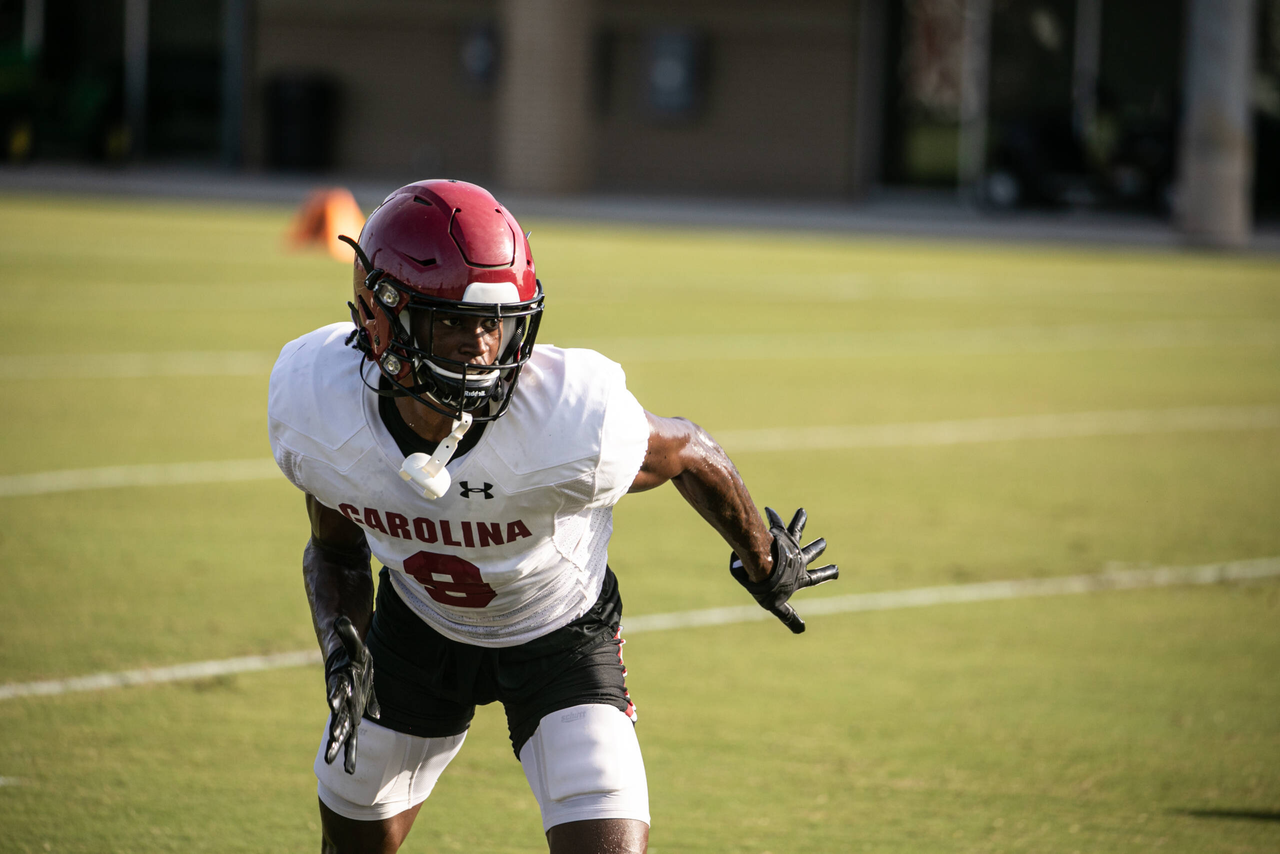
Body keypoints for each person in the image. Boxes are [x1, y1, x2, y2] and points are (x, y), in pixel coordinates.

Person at [267, 179, 838, 854]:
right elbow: (335, 548)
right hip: (414, 633)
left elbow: (686, 448)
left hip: (558, 637)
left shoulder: (566, 417)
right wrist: (343, 647)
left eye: (495, 322)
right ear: (378, 317)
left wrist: (764, 559)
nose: (481, 347)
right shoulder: (320, 402)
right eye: (452, 322)